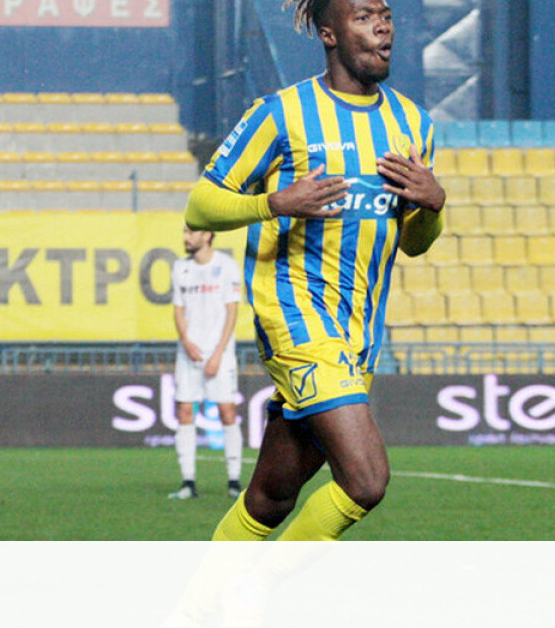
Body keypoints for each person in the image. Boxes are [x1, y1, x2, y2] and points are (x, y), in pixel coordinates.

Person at [184, 0, 446, 541]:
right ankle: (263, 586)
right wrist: (274, 203)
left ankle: (205, 592)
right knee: (365, 481)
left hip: (358, 333)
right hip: (296, 315)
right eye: (364, 17)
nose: (382, 26)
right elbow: (200, 208)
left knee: (271, 495)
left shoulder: (412, 125)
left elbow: (414, 244)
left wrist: (432, 206)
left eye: (386, 15)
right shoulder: (281, 114)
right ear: (329, 34)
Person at [169, 225, 245, 500]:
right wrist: (186, 341)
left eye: (191, 232)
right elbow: (178, 309)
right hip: (188, 353)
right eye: (185, 232)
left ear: (207, 235)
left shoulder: (227, 266)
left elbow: (232, 312)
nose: (186, 237)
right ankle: (188, 482)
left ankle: (234, 481)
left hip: (219, 354)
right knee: (185, 411)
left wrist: (218, 353)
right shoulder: (180, 268)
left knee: (227, 412)